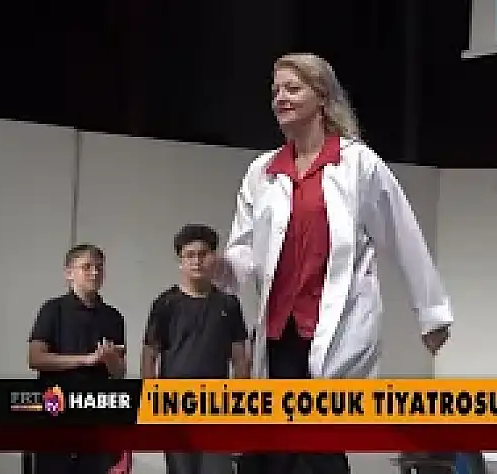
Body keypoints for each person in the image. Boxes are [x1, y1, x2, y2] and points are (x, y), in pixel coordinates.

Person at [218, 53, 454, 474]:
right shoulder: (263, 172)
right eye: (275, 91)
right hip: (279, 332)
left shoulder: (357, 164)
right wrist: (226, 268)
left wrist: (431, 314)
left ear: (322, 96)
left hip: (337, 326)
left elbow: (404, 236)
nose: (281, 98)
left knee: (317, 444)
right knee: (278, 445)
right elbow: (245, 248)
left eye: (293, 89)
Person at [141, 224, 249, 474]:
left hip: (216, 404)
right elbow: (150, 354)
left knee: (217, 468)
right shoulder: (165, 304)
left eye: (203, 254)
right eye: (189, 255)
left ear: (214, 258)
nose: (197, 261)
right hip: (174, 403)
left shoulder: (229, 305)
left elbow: (240, 358)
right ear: (180, 261)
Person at [27, 244, 126, 474]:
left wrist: (109, 358)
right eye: (87, 267)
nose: (94, 273)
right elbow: (35, 358)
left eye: (99, 267)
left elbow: (119, 372)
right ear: (69, 273)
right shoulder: (53, 309)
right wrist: (86, 360)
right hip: (56, 408)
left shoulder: (113, 317)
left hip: (95, 412)